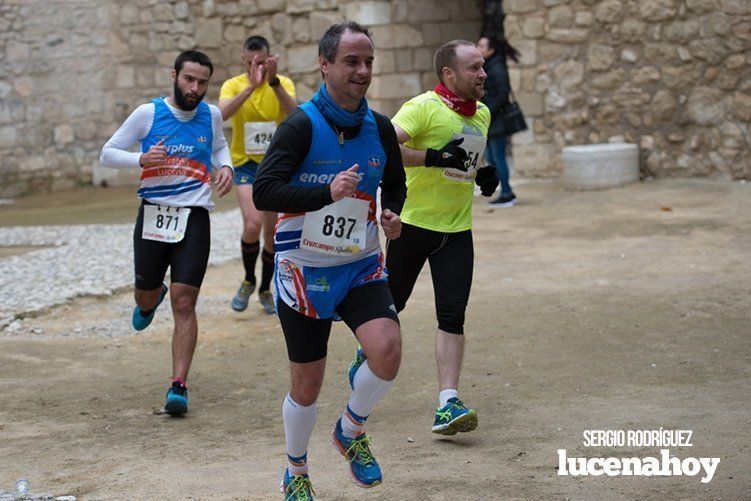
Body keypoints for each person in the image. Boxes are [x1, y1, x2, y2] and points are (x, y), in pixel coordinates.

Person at [253, 21, 406, 500]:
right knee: (308, 383)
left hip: (360, 264)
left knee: (387, 350)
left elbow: (395, 181)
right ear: (325, 65)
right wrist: (325, 191)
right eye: (351, 62)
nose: (363, 72)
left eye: (368, 62)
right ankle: (296, 470)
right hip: (304, 270)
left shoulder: (379, 127)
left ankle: (351, 430)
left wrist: (391, 212)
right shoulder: (300, 125)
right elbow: (264, 191)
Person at [352, 39, 499, 437]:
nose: (483, 74)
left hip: (457, 231)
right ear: (448, 74)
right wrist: (433, 158)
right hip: (412, 227)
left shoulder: (481, 113)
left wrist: (482, 173)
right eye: (473, 68)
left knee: (453, 316)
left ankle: (447, 402)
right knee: (389, 310)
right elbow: (387, 148)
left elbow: (467, 157)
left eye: (482, 67)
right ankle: (366, 354)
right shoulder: (422, 108)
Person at [100, 50, 234, 415]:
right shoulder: (148, 114)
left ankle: (178, 385)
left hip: (194, 216)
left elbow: (221, 148)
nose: (195, 88)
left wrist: (225, 168)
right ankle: (151, 293)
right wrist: (140, 159)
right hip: (154, 215)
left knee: (185, 301)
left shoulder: (212, 116)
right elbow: (107, 153)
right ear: (174, 76)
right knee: (145, 299)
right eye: (189, 79)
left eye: (203, 82)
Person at [219, 36, 297, 314]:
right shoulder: (233, 85)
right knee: (251, 224)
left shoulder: (282, 83)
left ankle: (266, 287)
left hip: (275, 166)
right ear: (243, 58)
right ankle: (249, 280)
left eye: (262, 61)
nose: (257, 65)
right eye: (252, 61)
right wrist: (251, 87)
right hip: (245, 165)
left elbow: (294, 113)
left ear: (270, 59)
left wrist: (272, 82)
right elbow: (221, 114)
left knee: (271, 234)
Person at [478, 34, 520, 206]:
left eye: (481, 46)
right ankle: (503, 190)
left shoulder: (496, 67)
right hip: (491, 120)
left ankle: (507, 193)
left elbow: (503, 94)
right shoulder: (489, 66)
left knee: (498, 157)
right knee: (491, 157)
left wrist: (487, 112)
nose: (478, 48)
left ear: (491, 50)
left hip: (496, 121)